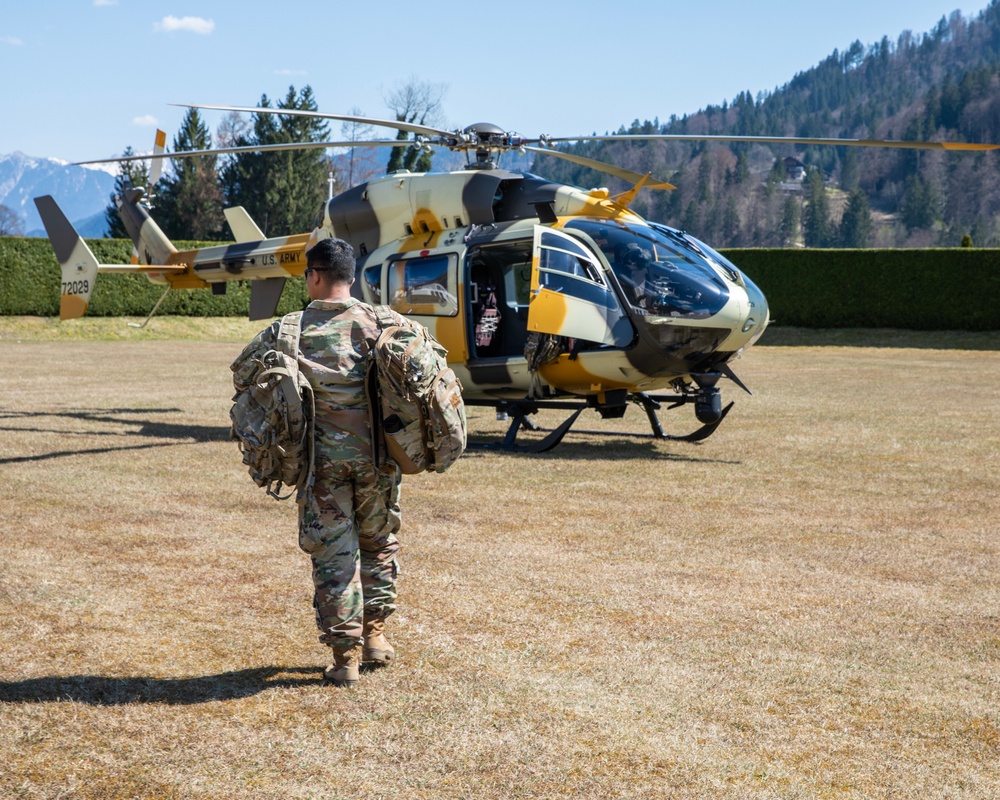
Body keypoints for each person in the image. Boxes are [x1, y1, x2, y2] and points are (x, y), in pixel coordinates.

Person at [237, 237, 412, 687]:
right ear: (351, 277)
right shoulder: (387, 322)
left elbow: (244, 378)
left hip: (321, 468)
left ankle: (345, 659)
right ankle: (375, 636)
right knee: (379, 544)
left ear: (314, 275)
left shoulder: (287, 330)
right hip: (380, 462)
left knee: (335, 557)